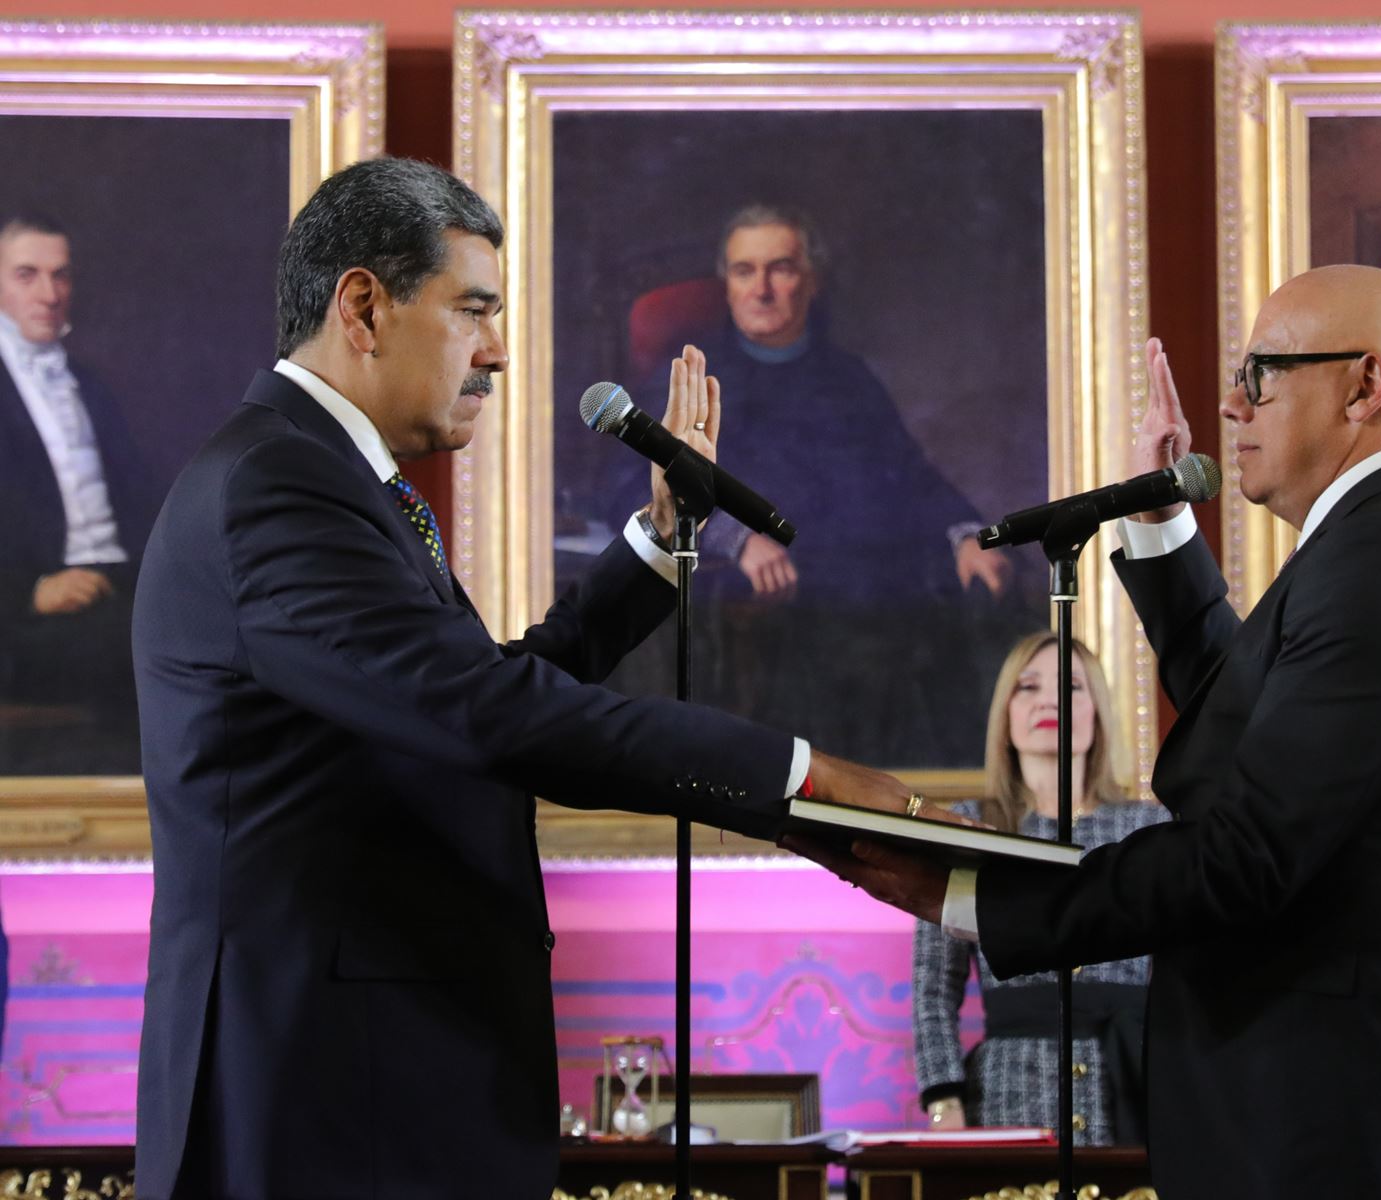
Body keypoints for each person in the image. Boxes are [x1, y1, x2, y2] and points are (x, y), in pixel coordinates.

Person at [131, 158, 930, 1200]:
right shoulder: (277, 490)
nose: (497, 352)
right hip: (322, 1101)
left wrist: (658, 542)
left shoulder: (315, 477)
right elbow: (487, 715)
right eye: (473, 310)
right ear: (365, 306)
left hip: (373, 1092)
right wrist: (799, 776)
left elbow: (467, 699)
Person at [791, 265, 1381, 1198]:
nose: (1232, 404)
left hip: (1367, 1136)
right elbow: (1258, 737)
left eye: (1262, 373)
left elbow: (1246, 855)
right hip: (1346, 1120)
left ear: (1365, 385)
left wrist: (979, 893)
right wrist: (1160, 525)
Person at [564, 204, 1035, 766]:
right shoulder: (689, 380)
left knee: (999, 607)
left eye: (780, 268)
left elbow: (910, 476)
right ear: (727, 284)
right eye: (744, 271)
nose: (761, 288)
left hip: (873, 593)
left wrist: (963, 536)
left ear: (810, 282)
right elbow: (632, 492)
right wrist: (734, 540)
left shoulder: (849, 378)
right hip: (765, 608)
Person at [912, 632, 1165, 1145]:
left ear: (1097, 712)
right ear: (1005, 713)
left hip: (1143, 1085)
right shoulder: (967, 828)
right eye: (1027, 687)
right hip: (1010, 1091)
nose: (1049, 700)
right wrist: (944, 1103)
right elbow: (932, 990)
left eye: (1070, 686)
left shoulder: (1152, 828)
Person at [0, 213, 148, 773]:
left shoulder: (88, 383)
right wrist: (32, 592)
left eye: (60, 276)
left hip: (115, 584)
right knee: (138, 652)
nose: (49, 293)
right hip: (24, 613)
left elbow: (136, 502)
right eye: (27, 275)